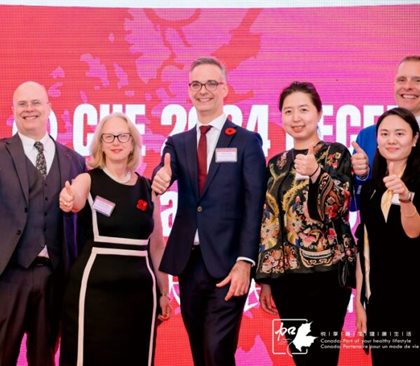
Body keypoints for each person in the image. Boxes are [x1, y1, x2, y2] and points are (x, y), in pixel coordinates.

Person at [151, 57, 266, 366]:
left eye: (211, 83)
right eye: (196, 84)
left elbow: (256, 206)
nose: (203, 91)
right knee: (200, 352)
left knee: (217, 350)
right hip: (189, 264)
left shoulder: (246, 141)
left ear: (224, 89)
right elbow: (163, 172)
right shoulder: (177, 142)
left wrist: (246, 262)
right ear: (189, 91)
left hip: (229, 265)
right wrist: (160, 179)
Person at [0, 81, 86, 366]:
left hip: (54, 275)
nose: (29, 109)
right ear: (13, 111)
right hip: (7, 272)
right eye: (22, 104)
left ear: (48, 108)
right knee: (0, 354)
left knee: (44, 355)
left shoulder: (75, 160)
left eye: (35, 103)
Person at [256, 82, 356, 366]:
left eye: (303, 110)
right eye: (288, 111)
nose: (296, 118)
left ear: (319, 113)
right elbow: (269, 222)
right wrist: (266, 280)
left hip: (328, 276)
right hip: (287, 280)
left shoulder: (336, 154)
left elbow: (336, 208)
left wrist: (316, 174)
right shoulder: (276, 164)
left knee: (324, 358)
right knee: (302, 359)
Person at [59, 113, 171, 366]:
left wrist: (164, 291)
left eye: (122, 136)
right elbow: (74, 199)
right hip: (94, 290)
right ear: (100, 143)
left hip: (140, 294)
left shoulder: (149, 187)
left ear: (133, 143)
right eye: (108, 136)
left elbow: (157, 245)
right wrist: (68, 200)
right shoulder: (88, 179)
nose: (115, 141)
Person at [355, 107, 420, 365]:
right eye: (384, 133)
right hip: (380, 301)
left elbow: (415, 232)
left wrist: (405, 198)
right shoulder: (371, 186)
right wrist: (361, 302)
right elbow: (365, 246)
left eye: (399, 133)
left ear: (415, 138)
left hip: (418, 297)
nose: (391, 140)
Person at [351, 56, 420, 253]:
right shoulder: (368, 137)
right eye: (402, 80)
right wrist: (360, 176)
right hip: (378, 253)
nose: (408, 86)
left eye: (417, 80)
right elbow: (354, 204)